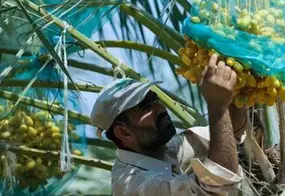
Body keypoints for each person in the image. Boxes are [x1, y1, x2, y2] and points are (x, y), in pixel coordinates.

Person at [90, 54, 247, 195]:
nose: (160, 108)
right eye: (146, 108)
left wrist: (236, 86)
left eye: (155, 100)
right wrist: (218, 107)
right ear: (124, 133)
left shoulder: (166, 149)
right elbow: (218, 183)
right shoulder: (131, 185)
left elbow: (230, 134)